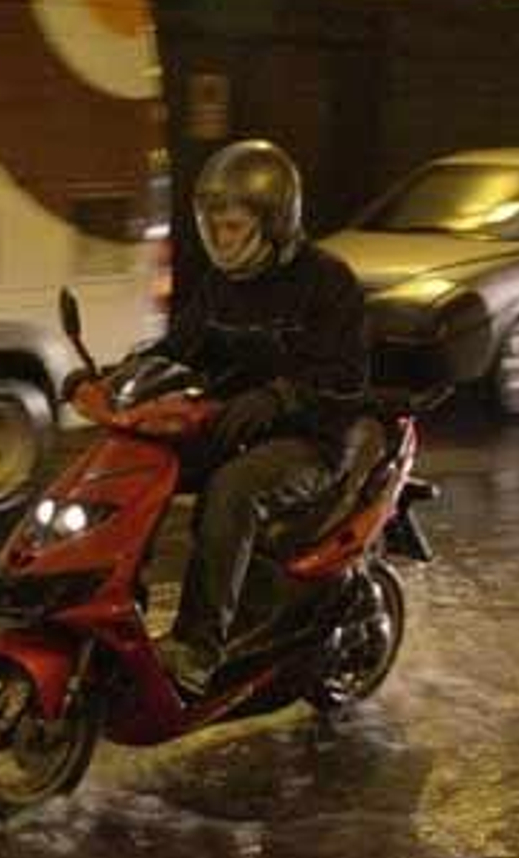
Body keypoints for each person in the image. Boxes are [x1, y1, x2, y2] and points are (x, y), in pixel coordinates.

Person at [147, 138, 369, 697]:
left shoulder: (329, 282)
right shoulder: (221, 285)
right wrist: (117, 378)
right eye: (214, 226)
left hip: (313, 440)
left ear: (274, 223)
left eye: (234, 227)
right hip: (234, 426)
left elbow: (345, 380)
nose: (221, 238)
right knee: (140, 464)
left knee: (232, 490)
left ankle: (198, 649)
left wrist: (279, 399)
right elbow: (178, 349)